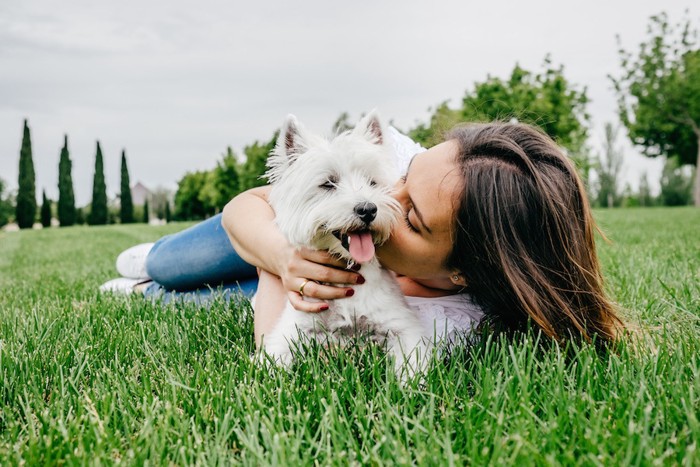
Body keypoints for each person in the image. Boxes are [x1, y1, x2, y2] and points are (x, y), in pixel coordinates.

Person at [102, 121, 623, 349]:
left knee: (185, 302)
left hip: (300, 284)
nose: (385, 200)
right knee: (172, 266)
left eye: (412, 216)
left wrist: (281, 284)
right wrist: (282, 257)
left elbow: (275, 340)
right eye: (405, 176)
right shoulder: (381, 168)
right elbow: (250, 205)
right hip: (265, 233)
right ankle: (153, 261)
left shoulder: (449, 322)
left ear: (463, 269)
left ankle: (146, 292)